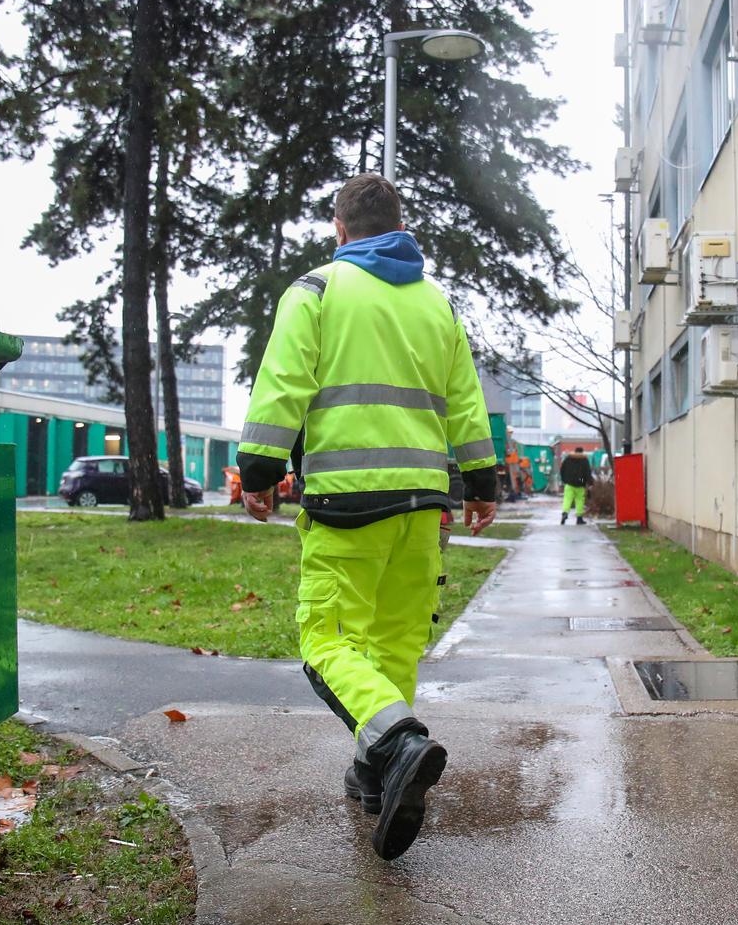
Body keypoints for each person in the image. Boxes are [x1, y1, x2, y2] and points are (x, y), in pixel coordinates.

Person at [236, 174, 498, 860]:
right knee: (394, 644)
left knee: (327, 640)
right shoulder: (436, 304)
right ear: (399, 225)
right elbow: (465, 400)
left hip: (347, 502)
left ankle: (398, 743)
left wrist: (259, 469)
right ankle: (376, 776)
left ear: (339, 225)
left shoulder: (317, 290)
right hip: (422, 506)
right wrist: (481, 481)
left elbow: (283, 382)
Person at [558, 445, 592, 525]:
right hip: (580, 484)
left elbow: (562, 470)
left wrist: (564, 480)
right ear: (582, 452)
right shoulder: (584, 460)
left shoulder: (568, 459)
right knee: (579, 501)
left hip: (569, 484)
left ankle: (565, 513)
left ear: (575, 451)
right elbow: (587, 473)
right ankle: (579, 519)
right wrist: (588, 482)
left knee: (567, 499)